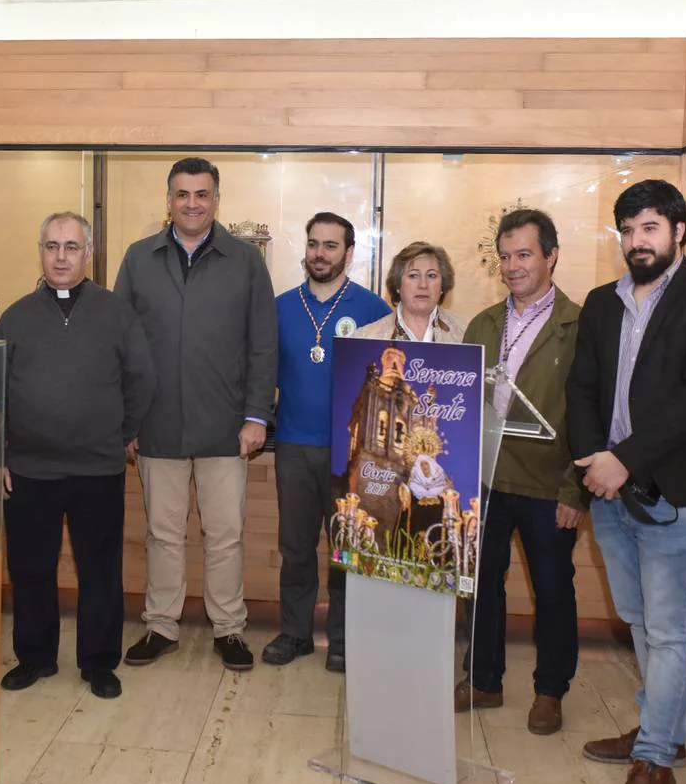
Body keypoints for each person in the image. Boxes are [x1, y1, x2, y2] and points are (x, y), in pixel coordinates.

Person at [567, 180, 686, 784]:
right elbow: (581, 387)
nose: (637, 241)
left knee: (670, 630)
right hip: (609, 491)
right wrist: (594, 459)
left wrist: (626, 460)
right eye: (628, 229)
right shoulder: (600, 302)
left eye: (649, 227)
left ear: (678, 232)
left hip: (677, 492)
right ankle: (660, 730)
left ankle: (655, 764)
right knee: (640, 621)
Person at [114, 157, 277, 672]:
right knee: (163, 533)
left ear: (216, 201)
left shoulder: (246, 260)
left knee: (225, 534)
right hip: (156, 424)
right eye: (182, 194)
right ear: (169, 199)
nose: (191, 203)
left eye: (201, 194)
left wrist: (257, 416)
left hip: (224, 425)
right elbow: (120, 344)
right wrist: (127, 421)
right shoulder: (139, 258)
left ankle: (229, 629)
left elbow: (262, 345)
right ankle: (161, 625)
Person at [0, 212, 155, 700]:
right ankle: (35, 657)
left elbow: (142, 379)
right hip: (28, 469)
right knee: (29, 568)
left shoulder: (116, 312)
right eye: (51, 246)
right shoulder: (16, 316)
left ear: (88, 253)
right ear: (40, 251)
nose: (60, 256)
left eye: (71, 246)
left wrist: (122, 433)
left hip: (97, 467)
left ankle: (99, 662)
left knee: (100, 569)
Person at [456, 208, 586, 736]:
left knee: (553, 589)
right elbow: (462, 405)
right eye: (505, 256)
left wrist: (574, 490)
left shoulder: (577, 327)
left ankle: (550, 690)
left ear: (551, 256)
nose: (513, 266)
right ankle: (484, 680)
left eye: (524, 255)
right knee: (482, 585)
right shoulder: (483, 322)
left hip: (547, 484)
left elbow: (588, 413)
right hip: (486, 480)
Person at [261, 212, 389, 673]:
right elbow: (262, 372)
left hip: (351, 453)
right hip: (293, 444)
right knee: (295, 546)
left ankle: (341, 638)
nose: (320, 253)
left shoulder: (374, 309)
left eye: (331, 245)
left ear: (349, 252)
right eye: (314, 244)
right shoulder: (280, 307)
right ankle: (294, 633)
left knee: (346, 549)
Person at [353, 241, 467, 342]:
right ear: (398, 284)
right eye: (413, 276)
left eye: (431, 275)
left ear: (442, 285)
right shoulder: (365, 338)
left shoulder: (467, 333)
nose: (423, 285)